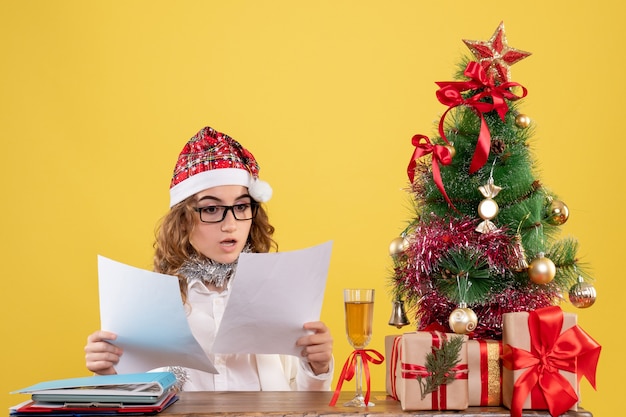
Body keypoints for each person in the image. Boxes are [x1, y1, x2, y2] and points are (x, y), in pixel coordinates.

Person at [84, 126, 334, 391]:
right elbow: (137, 400)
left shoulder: (280, 293)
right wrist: (109, 374)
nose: (230, 225)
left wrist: (318, 367)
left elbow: (303, 399)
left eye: (241, 206)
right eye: (212, 209)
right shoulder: (148, 304)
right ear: (183, 220)